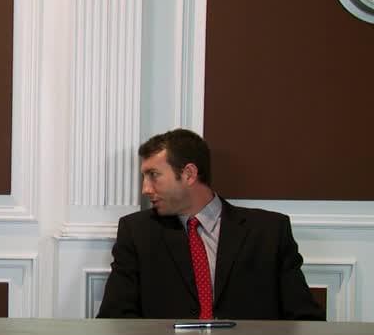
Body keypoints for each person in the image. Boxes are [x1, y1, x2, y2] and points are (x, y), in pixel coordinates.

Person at [97, 128, 324, 320]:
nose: (145, 189)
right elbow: (115, 319)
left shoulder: (269, 232)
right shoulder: (137, 233)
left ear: (189, 174)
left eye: (153, 175)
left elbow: (305, 319)